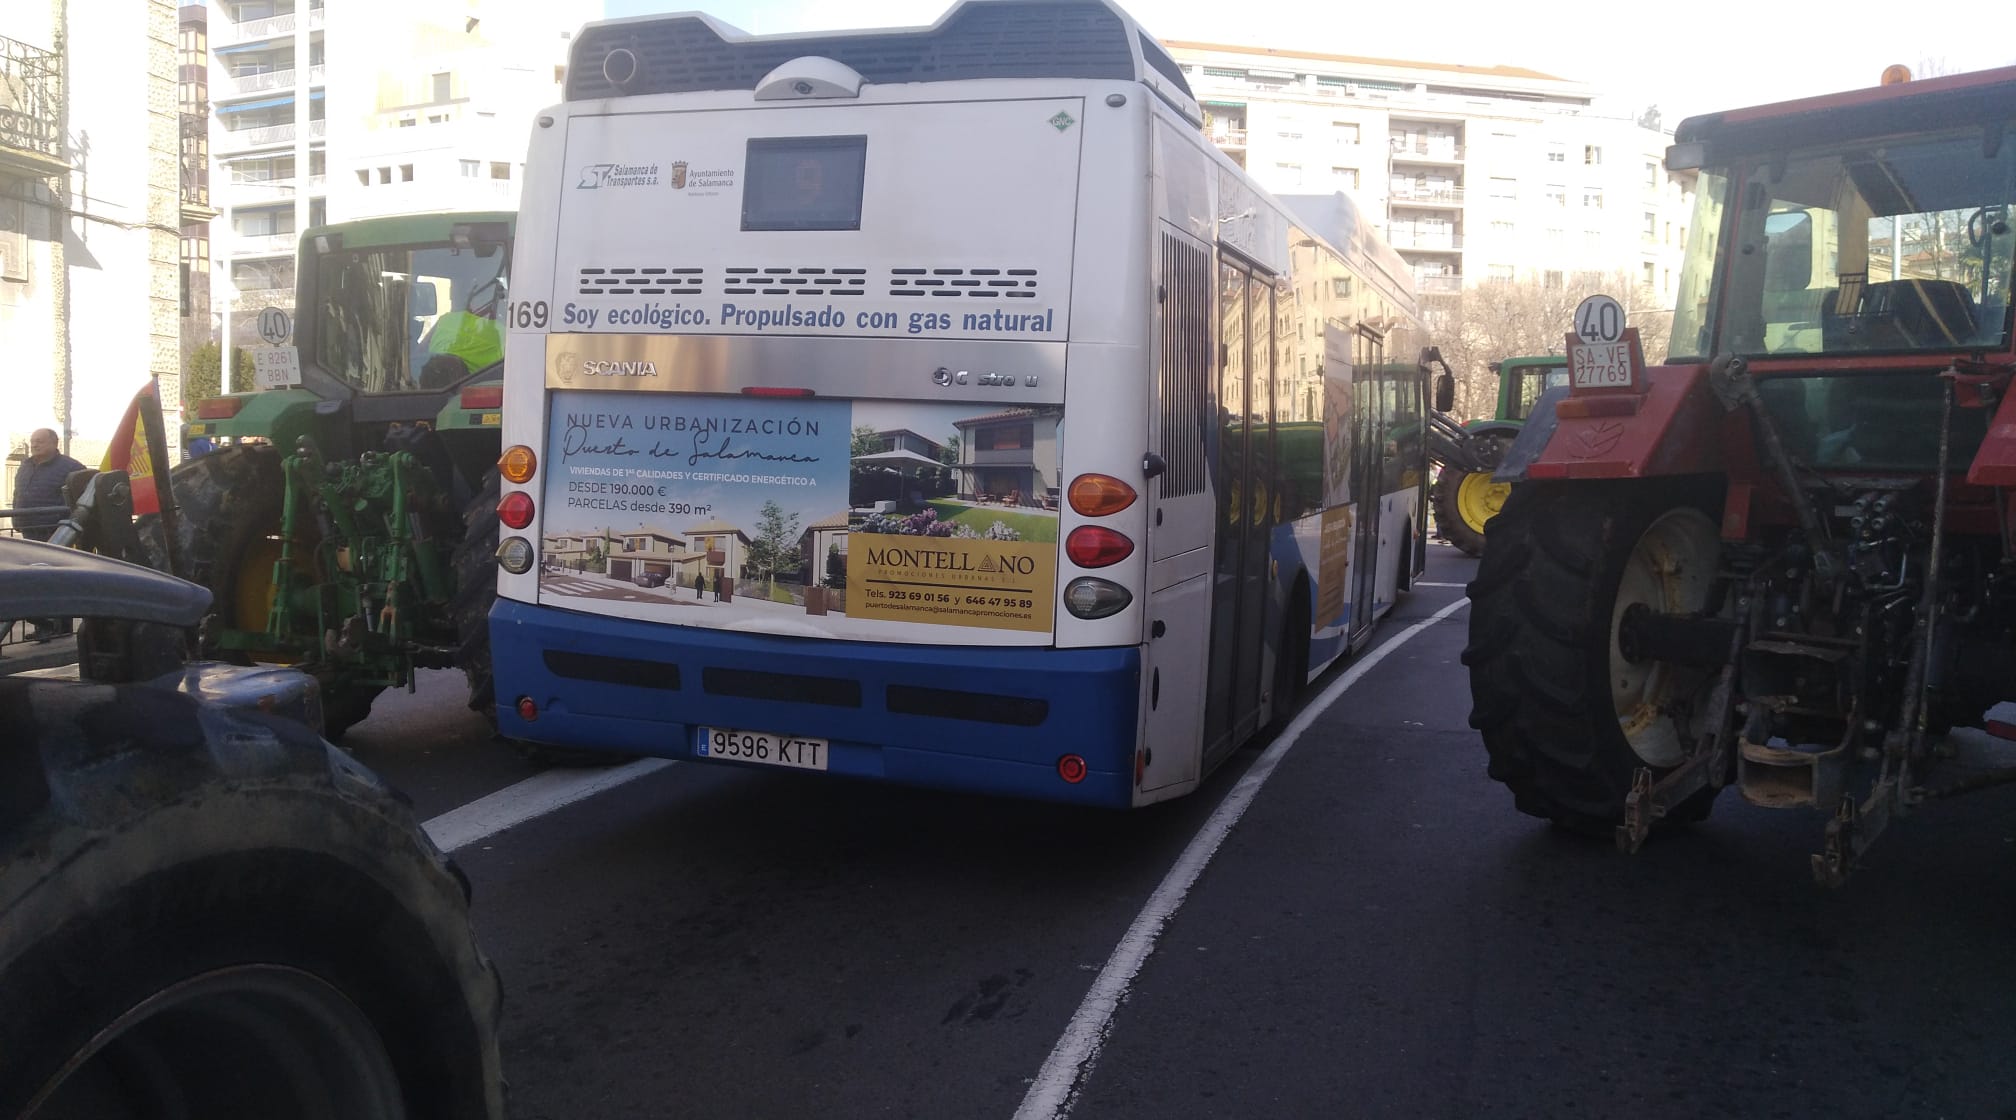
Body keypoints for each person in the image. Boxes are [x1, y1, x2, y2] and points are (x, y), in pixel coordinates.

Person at [11, 428, 85, 641]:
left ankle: (59, 626)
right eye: (33, 441)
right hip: (29, 532)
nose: (34, 445)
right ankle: (44, 625)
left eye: (40, 441)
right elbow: (18, 493)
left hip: (54, 533)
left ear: (54, 443)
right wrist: (17, 517)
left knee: (54, 580)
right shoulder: (26, 465)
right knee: (34, 581)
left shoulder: (70, 467)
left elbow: (82, 492)